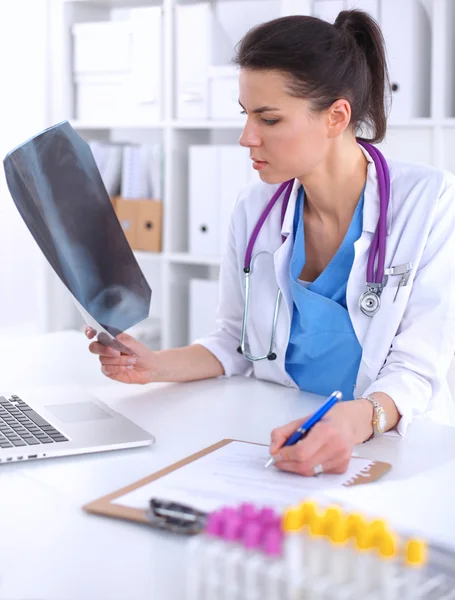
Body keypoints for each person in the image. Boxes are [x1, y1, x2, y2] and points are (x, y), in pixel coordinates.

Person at [86, 10, 455, 477]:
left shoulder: (429, 202)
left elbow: (417, 371)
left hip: (388, 447)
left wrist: (356, 419)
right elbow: (233, 341)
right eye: (246, 115)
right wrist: (155, 365)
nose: (246, 138)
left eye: (269, 118)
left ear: (336, 116)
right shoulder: (255, 207)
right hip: (273, 433)